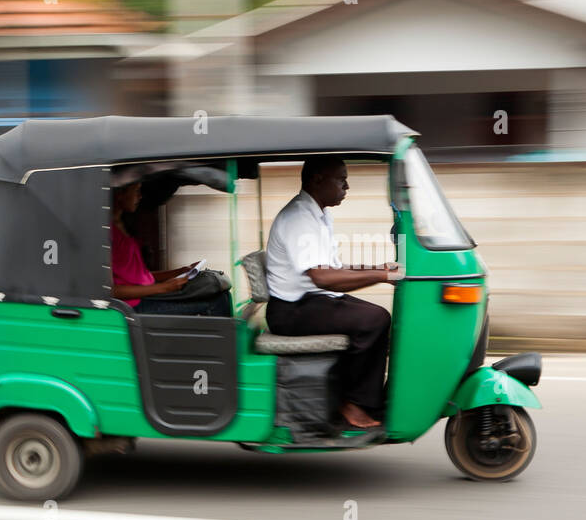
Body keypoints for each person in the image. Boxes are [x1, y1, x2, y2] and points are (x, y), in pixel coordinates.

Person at [265, 156, 402, 429]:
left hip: (312, 301)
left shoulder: (319, 213)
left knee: (376, 317)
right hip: (292, 310)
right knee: (374, 320)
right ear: (317, 180)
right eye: (341, 179)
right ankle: (352, 402)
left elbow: (333, 268)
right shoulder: (299, 218)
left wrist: (379, 268)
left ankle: (362, 398)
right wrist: (382, 276)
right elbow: (323, 278)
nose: (347, 186)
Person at [110, 180, 231, 316]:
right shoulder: (106, 232)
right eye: (136, 191)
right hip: (131, 308)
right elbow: (112, 290)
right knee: (216, 303)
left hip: (146, 296)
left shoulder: (122, 226)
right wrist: (164, 288)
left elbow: (140, 276)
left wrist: (181, 271)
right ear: (120, 194)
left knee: (223, 294)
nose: (140, 196)